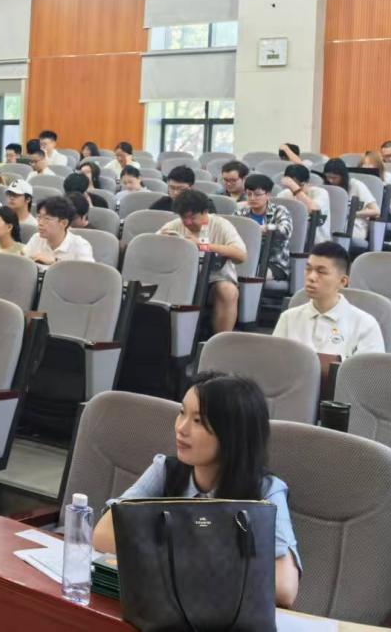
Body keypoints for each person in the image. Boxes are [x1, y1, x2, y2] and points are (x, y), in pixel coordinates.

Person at [92, 371, 301, 608]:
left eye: (198, 421)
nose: (181, 428)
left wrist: (167, 553)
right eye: (182, 412)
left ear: (232, 433)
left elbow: (284, 587)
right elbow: (104, 534)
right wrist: (209, 563)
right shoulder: (166, 470)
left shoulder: (265, 491)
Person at [272, 242, 385, 357]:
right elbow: (274, 362)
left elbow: (369, 368)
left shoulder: (365, 324)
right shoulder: (288, 318)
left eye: (321, 272)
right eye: (308, 269)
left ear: (342, 281)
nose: (311, 277)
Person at [159, 190, 247, 335]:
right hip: (180, 278)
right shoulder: (174, 226)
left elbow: (240, 255)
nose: (187, 222)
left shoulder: (221, 225)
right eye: (183, 217)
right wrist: (162, 241)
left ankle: (220, 340)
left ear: (205, 212)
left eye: (192, 217)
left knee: (228, 291)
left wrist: (203, 246)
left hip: (214, 279)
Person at [239, 174, 292, 280]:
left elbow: (286, 231)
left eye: (257, 195)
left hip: (273, 263)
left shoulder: (280, 210)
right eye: (249, 194)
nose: (252, 198)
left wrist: (266, 228)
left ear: (268, 194)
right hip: (246, 260)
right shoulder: (241, 212)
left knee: (251, 274)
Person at [320, 158, 379, 245]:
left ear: (343, 176)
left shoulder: (356, 185)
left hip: (354, 224)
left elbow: (376, 211)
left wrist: (352, 214)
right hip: (332, 222)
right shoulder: (326, 187)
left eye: (334, 178)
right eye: (328, 177)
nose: (330, 180)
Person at [24, 195, 95, 265]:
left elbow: (87, 272)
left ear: (64, 223)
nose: (40, 223)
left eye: (47, 219)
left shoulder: (80, 246)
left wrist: (55, 262)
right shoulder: (36, 238)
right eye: (39, 217)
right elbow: (24, 264)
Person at [280, 164, 331, 243]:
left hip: (317, 242)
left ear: (308, 182)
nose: (293, 189)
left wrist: (295, 188)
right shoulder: (285, 193)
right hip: (292, 240)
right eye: (290, 185)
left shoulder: (321, 193)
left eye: (299, 185)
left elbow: (315, 212)